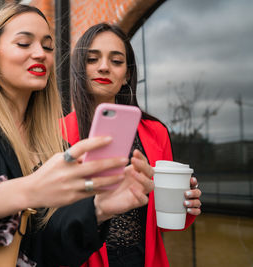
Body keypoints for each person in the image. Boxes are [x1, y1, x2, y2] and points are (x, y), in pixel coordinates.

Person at [0, 4, 155, 267]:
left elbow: (45, 251)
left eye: (47, 47)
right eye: (24, 43)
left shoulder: (55, 145)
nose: (40, 54)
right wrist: (28, 190)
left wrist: (100, 209)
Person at [62, 23, 202, 267]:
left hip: (144, 259)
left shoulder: (155, 132)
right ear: (80, 68)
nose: (104, 67)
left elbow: (164, 219)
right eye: (93, 59)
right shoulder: (58, 131)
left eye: (116, 61)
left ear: (127, 74)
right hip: (83, 260)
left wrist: (185, 204)